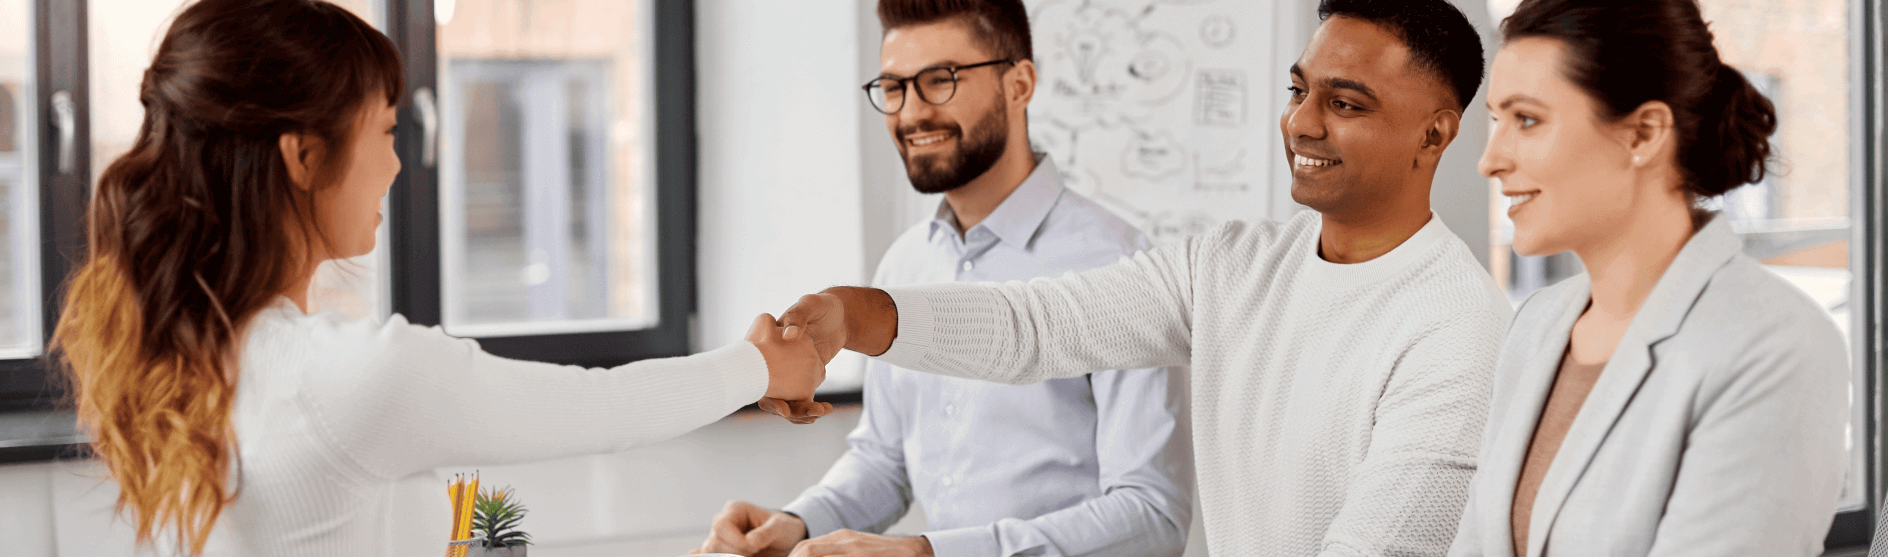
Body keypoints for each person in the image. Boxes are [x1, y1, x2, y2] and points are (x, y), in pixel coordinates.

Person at [48, 1, 830, 555]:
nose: (396, 163)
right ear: (304, 156)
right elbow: (604, 405)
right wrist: (763, 364)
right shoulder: (347, 376)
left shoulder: (184, 357)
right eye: (384, 131)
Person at [769, 0, 1511, 554]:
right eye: (1297, 90)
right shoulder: (1230, 264)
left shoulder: (1457, 325)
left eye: (1345, 103)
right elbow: (1035, 328)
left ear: (1436, 133)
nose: (1302, 124)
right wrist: (846, 314)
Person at [697, 1, 1190, 556]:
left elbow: (1152, 516)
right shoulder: (905, 265)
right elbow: (885, 460)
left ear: (1019, 84)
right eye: (893, 87)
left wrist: (931, 552)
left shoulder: (1119, 263)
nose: (910, 113)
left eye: (939, 81)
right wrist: (796, 522)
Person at [1448, 0, 1849, 555]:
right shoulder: (1536, 327)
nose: (1489, 160)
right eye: (1497, 121)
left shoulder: (1775, 347)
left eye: (1528, 120)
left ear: (1643, 134)